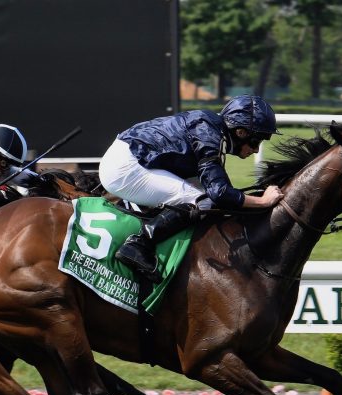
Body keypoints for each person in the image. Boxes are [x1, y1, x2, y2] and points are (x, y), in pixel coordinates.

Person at [98, 94, 285, 283]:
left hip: (132, 157)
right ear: (241, 132)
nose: (255, 150)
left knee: (201, 195)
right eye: (256, 141)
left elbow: (220, 187)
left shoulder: (213, 129)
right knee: (201, 200)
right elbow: (219, 193)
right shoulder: (210, 135)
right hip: (126, 167)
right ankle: (139, 244)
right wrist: (262, 201)